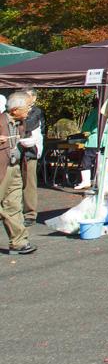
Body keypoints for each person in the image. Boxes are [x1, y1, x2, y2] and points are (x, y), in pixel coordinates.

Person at [0, 94, 35, 254]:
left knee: (14, 205)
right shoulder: (1, 121)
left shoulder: (21, 123)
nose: (30, 109)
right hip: (2, 169)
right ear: (15, 109)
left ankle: (19, 242)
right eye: (27, 106)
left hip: (15, 168)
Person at [10, 89, 44, 225]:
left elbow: (29, 124)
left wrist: (16, 120)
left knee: (29, 183)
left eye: (27, 96)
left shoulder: (36, 112)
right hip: (16, 151)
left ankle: (30, 214)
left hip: (30, 151)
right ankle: (14, 212)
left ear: (33, 98)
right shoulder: (15, 112)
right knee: (14, 183)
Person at [71, 93, 100, 191]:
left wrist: (85, 133)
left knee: (87, 161)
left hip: (94, 140)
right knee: (100, 161)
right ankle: (99, 181)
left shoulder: (95, 112)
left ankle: (86, 181)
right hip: (106, 141)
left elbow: (86, 128)